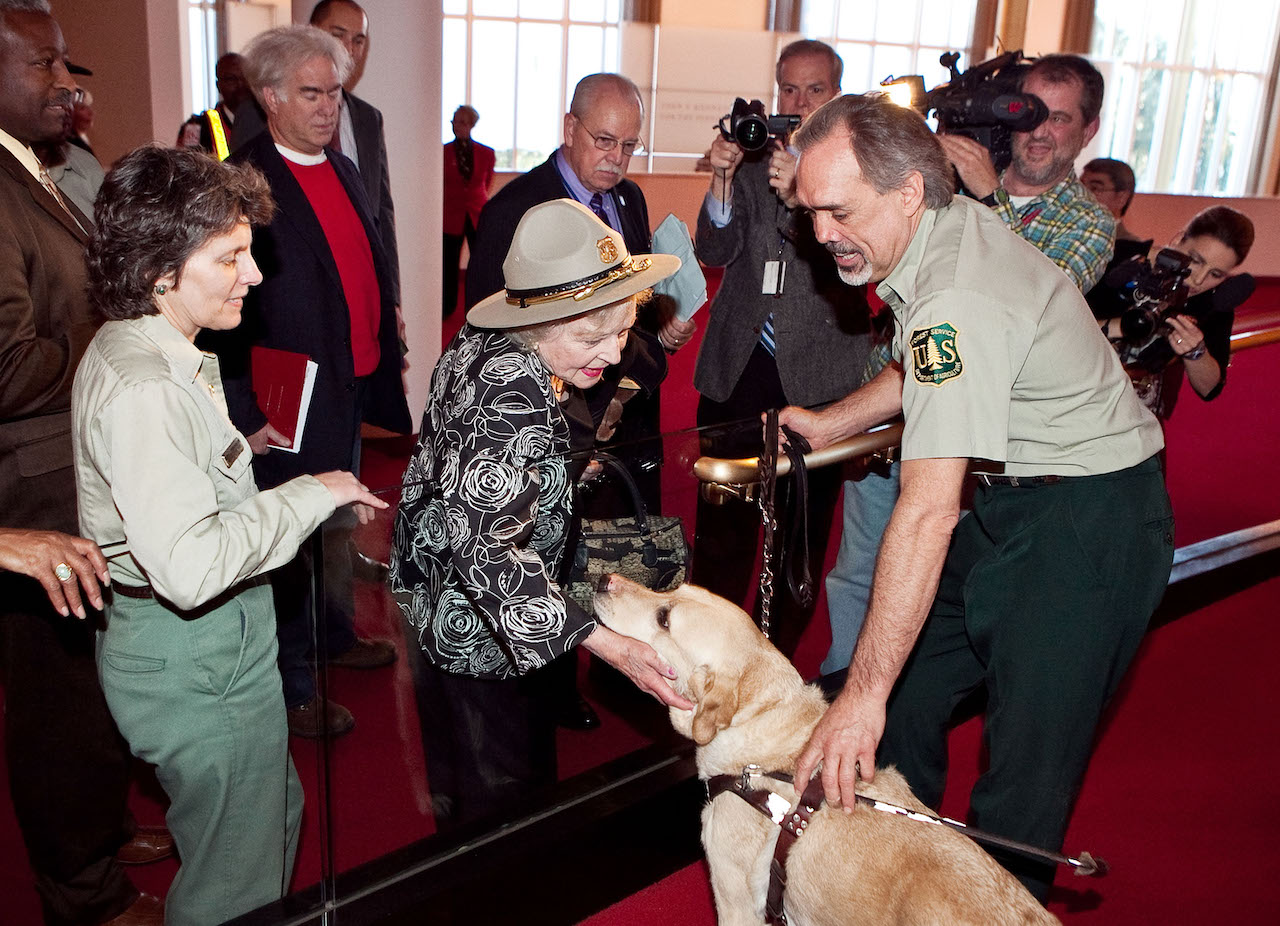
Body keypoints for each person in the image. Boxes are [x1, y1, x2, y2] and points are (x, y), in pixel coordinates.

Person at [779, 93, 1173, 902]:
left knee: (1020, 784)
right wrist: (828, 423)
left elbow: (925, 508)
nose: (821, 234)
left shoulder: (957, 293)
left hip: (1088, 520)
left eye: (838, 210)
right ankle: (899, 882)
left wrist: (858, 701)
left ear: (908, 193)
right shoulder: (940, 236)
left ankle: (991, 910)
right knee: (910, 699)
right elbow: (920, 365)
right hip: (1017, 501)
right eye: (810, 212)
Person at [72, 145, 387, 926]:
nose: (254, 274)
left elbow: (167, 488)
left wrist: (239, 451)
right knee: (232, 884)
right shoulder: (146, 386)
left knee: (266, 822)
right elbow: (190, 566)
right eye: (231, 258)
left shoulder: (150, 347)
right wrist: (310, 494)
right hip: (195, 654)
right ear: (159, 269)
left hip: (208, 648)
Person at [390, 199, 692, 829]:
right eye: (592, 337)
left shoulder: (488, 337)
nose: (612, 355)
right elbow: (490, 552)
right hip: (478, 629)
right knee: (505, 812)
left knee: (463, 793)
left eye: (622, 330)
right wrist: (611, 646)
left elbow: (467, 465)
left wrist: (546, 470)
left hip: (433, 593)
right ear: (540, 321)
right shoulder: (518, 392)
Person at [824, 53, 1119, 675]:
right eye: (1028, 111)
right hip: (890, 413)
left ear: (1088, 130)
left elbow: (1004, 311)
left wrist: (988, 193)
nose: (1037, 131)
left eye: (1058, 118)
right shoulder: (940, 187)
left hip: (979, 450)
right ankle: (837, 694)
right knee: (855, 577)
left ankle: (877, 702)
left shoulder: (1087, 221)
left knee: (929, 590)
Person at [1, 3, 166, 922]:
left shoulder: (42, 167)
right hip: (30, 491)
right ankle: (83, 893)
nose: (66, 82)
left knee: (93, 680)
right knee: (58, 706)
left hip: (70, 469)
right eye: (41, 66)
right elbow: (9, 367)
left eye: (67, 62)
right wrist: (113, 334)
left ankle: (101, 832)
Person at [208, 24, 412, 738]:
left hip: (346, 385)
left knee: (332, 525)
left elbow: (362, 258)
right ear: (268, 97)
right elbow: (220, 315)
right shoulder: (241, 180)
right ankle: (292, 686)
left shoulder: (343, 166)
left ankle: (336, 638)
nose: (330, 107)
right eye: (312, 93)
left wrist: (386, 324)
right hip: (285, 400)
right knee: (286, 543)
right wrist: (240, 411)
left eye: (334, 92)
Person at [693, 38, 871, 658]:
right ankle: (707, 661)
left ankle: (773, 663)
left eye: (814, 89)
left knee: (797, 540)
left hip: (819, 378)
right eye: (787, 89)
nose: (797, 103)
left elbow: (860, 268)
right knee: (720, 536)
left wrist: (804, 197)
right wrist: (720, 179)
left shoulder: (865, 170)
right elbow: (714, 253)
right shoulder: (748, 160)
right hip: (738, 370)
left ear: (837, 95)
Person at [1090, 205, 1255, 420]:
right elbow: (1058, 326)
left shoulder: (1212, 303)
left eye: (1215, 274)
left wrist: (1196, 351)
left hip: (1138, 422)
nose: (1198, 279)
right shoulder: (1119, 258)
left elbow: (1209, 389)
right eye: (1195, 260)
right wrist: (1125, 326)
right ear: (1178, 240)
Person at [442, 104, 493, 316]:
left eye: (462, 121)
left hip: (476, 213)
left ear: (471, 125)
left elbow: (486, 182)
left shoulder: (486, 153)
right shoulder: (442, 152)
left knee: (480, 263)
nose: (457, 125)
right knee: (449, 264)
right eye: (455, 120)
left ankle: (479, 306)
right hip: (450, 215)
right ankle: (447, 307)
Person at [175, 53, 251, 154]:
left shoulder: (265, 122)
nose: (241, 85)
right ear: (218, 85)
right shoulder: (197, 128)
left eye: (245, 78)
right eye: (231, 79)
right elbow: (186, 166)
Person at [1081, 156, 1142, 245]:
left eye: (1094, 188)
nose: (1082, 194)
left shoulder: (1130, 247)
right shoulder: (1063, 235)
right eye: (1080, 186)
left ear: (1122, 198)